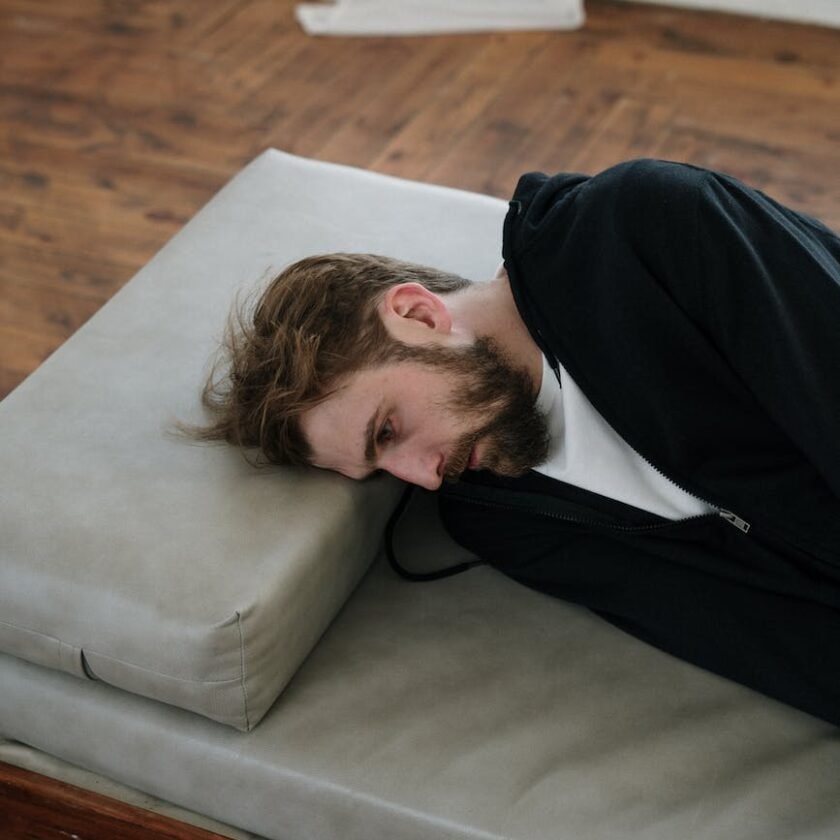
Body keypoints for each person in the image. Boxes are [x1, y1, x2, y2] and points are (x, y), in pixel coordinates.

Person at [195, 159, 840, 726]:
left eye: (387, 430)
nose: (422, 476)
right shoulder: (498, 518)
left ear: (419, 316)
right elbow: (751, 639)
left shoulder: (646, 229)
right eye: (381, 468)